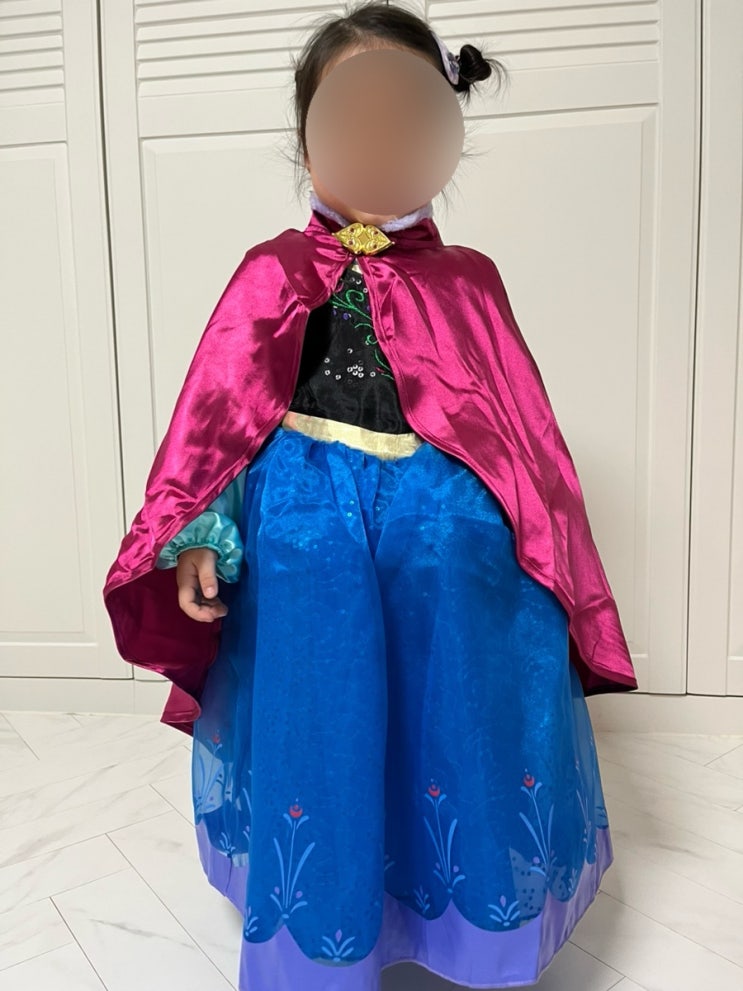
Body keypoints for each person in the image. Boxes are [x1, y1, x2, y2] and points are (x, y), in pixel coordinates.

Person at [102, 3, 638, 989]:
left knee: (455, 717)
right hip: (307, 544)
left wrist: (539, 557)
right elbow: (218, 422)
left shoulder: (469, 281)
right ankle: (329, 927)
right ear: (306, 138)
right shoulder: (271, 272)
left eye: (408, 118)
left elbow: (523, 440)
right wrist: (204, 528)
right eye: (353, 119)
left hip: (450, 551)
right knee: (326, 717)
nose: (380, 142)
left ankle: (465, 929)